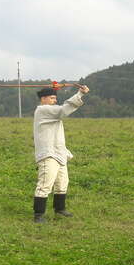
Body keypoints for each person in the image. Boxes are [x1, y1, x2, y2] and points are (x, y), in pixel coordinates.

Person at [32, 84, 90, 223]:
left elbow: (61, 110)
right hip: (48, 154)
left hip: (59, 152)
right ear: (43, 99)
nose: (55, 100)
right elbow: (63, 110)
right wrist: (80, 94)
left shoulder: (50, 110)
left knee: (62, 183)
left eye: (55, 98)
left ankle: (59, 209)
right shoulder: (43, 110)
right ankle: (38, 215)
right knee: (45, 184)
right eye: (52, 98)